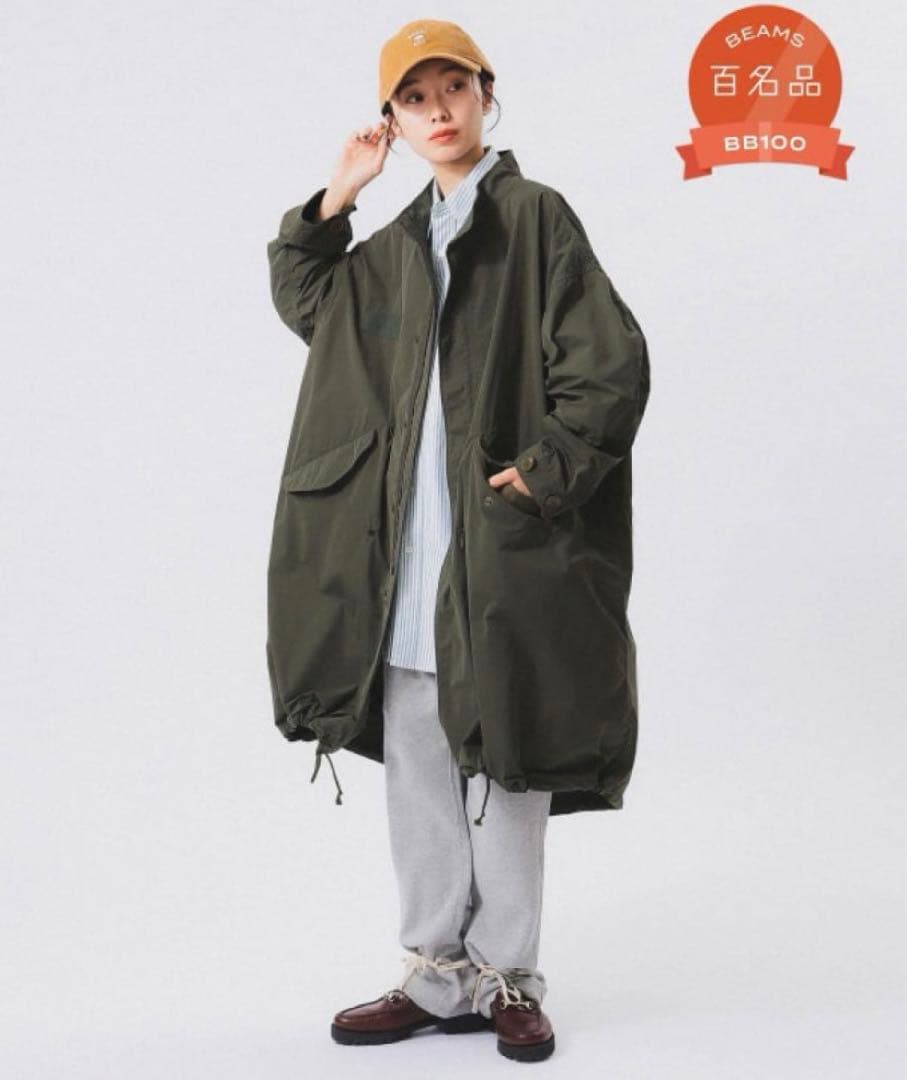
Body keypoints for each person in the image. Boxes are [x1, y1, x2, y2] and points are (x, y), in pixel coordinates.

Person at [265, 18, 650, 1065]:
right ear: (392, 119)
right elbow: (308, 298)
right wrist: (339, 194)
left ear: (484, 95)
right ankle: (435, 975)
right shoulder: (393, 249)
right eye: (414, 97)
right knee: (420, 772)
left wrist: (546, 472)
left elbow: (608, 365)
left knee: (508, 764)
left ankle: (506, 977)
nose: (437, 110)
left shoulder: (533, 218)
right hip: (406, 558)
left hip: (503, 549)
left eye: (453, 88)